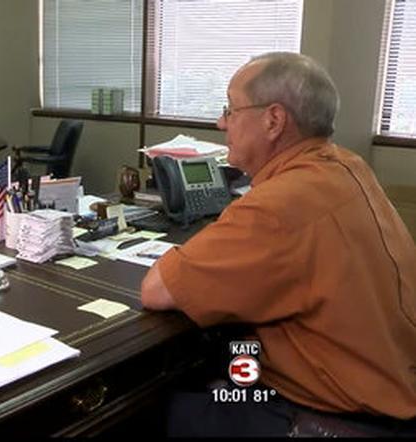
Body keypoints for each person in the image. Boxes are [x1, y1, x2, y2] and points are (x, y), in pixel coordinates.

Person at [140, 52, 416, 437]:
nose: (221, 122)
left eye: (230, 109)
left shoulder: (278, 205)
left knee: (156, 408)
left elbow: (156, 290)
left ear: (273, 120)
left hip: (328, 416)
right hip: (393, 390)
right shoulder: (348, 166)